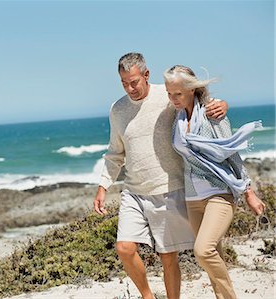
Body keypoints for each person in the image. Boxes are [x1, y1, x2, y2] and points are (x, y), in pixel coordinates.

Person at [93, 52, 228, 299]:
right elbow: (116, 151)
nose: (130, 88)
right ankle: (148, 296)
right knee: (124, 248)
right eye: (124, 83)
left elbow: (195, 99)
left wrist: (222, 104)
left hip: (168, 188)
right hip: (133, 191)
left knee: (168, 257)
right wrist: (103, 186)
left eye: (134, 82)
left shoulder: (166, 97)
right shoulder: (118, 109)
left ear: (146, 75)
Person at [163, 65, 265, 299]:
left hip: (219, 193)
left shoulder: (212, 113)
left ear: (191, 89)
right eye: (169, 94)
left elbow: (231, 153)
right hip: (192, 198)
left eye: (178, 93)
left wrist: (249, 193)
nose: (173, 99)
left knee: (203, 251)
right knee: (213, 255)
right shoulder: (177, 119)